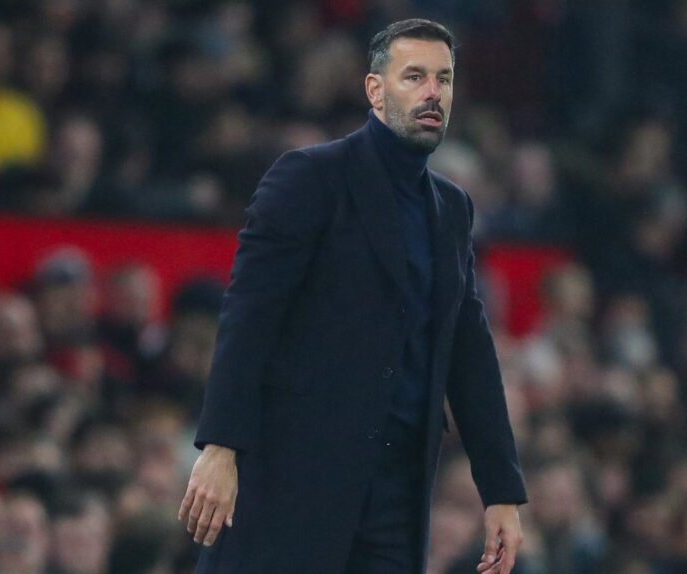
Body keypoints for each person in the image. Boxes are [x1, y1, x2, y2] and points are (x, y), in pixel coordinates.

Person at [177, 18, 527, 574]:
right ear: (375, 89)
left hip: (397, 497)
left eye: (444, 78)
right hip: (292, 482)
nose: (433, 92)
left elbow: (469, 351)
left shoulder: (453, 208)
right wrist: (219, 447)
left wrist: (500, 489)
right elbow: (249, 317)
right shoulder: (308, 178)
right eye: (414, 76)